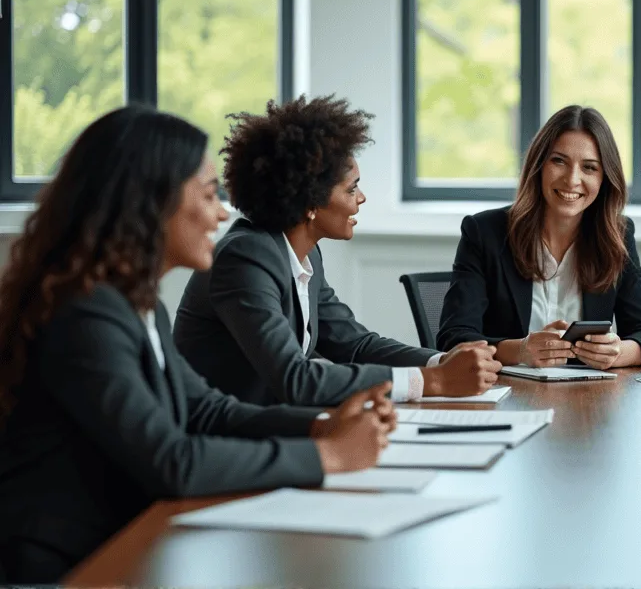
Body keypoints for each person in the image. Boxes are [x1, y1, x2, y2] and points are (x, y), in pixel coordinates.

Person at [0, 106, 393, 583]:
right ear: (152, 203)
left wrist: (322, 424)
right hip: (65, 566)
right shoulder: (85, 314)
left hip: (121, 539)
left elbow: (207, 412)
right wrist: (330, 456)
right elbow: (173, 460)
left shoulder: (135, 304)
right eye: (209, 195)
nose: (222, 212)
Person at [173, 96, 500, 406]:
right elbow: (296, 379)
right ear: (311, 202)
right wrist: (433, 381)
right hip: (222, 439)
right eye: (352, 188)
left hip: (271, 426)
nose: (361, 199)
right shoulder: (245, 257)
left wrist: (443, 361)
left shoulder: (303, 254)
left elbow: (354, 344)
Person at [438, 105, 641, 368]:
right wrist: (520, 350)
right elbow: (453, 339)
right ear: (539, 165)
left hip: (588, 400)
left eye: (589, 167)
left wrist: (616, 352)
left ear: (604, 179)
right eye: (559, 161)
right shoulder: (484, 231)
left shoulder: (618, 235)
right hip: (506, 395)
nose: (572, 180)